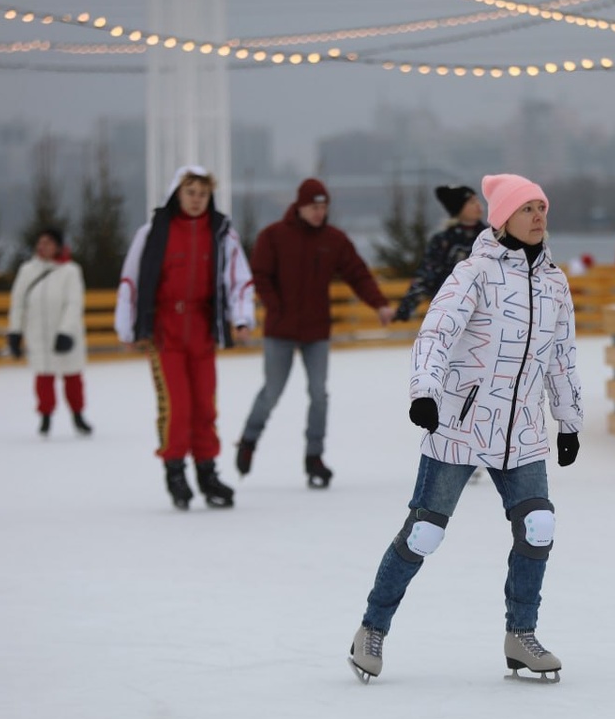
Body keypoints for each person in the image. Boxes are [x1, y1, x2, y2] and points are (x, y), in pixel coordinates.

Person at [348, 173, 583, 685]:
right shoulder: (473, 273)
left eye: (542, 207)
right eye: (526, 208)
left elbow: (562, 356)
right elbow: (436, 333)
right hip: (460, 424)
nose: (538, 216)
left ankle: (521, 634)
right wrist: (424, 391)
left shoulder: (554, 282)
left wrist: (568, 420)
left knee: (538, 526)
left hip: (522, 430)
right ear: (502, 218)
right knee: (424, 532)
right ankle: (372, 628)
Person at [234, 177, 393, 488]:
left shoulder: (333, 240)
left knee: (319, 394)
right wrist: (275, 307)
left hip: (316, 331)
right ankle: (248, 440)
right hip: (280, 330)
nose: (319, 213)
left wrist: (379, 304)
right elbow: (260, 275)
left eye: (323, 207)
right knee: (272, 392)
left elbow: (358, 274)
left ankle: (314, 456)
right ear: (300, 206)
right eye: (313, 207)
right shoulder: (274, 236)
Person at [114, 165, 254, 511]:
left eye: (203, 194)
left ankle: (207, 472)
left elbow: (239, 278)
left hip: (202, 330)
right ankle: (175, 471)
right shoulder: (153, 233)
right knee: (177, 406)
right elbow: (131, 279)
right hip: (166, 333)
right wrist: (128, 327)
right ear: (177, 194)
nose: (196, 200)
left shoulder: (221, 234)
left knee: (205, 406)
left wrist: (241, 318)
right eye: (190, 193)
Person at [6, 227, 92, 437]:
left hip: (64, 333)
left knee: (72, 376)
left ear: (58, 246)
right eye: (40, 242)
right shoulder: (27, 270)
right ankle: (45, 417)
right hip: (38, 333)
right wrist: (15, 332)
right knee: (44, 377)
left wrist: (66, 331)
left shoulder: (70, 271)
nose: (42, 246)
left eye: (48, 242)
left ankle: (78, 415)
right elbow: (18, 303)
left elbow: (74, 303)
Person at [392, 184, 487, 322]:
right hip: (450, 310)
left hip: (486, 310)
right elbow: (425, 277)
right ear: (459, 208)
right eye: (471, 202)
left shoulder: (491, 237)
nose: (478, 205)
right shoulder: (443, 241)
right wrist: (404, 310)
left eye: (478, 200)